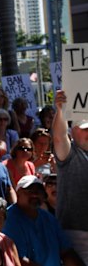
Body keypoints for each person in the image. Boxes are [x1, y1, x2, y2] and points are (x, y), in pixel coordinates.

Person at [2, 175, 84, 266]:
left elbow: (66, 251)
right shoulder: (9, 219)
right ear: (18, 193)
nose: (35, 195)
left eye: (39, 192)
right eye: (30, 191)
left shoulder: (49, 218)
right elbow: (17, 259)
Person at [52, 90, 88, 264]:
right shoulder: (71, 154)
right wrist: (61, 110)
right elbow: (58, 138)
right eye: (84, 129)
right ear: (72, 131)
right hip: (76, 235)